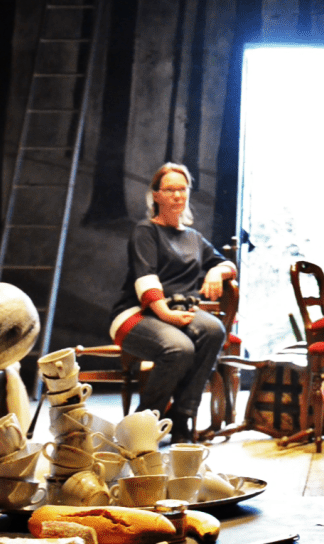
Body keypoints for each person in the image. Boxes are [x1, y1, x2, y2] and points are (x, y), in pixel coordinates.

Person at [108, 162, 237, 442]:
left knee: (214, 330)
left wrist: (216, 271)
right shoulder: (145, 231)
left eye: (183, 189)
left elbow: (228, 265)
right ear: (156, 195)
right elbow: (146, 279)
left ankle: (181, 418)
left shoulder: (194, 238)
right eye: (169, 190)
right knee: (179, 348)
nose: (178, 195)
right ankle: (142, 425)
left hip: (179, 310)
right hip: (138, 313)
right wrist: (165, 314)